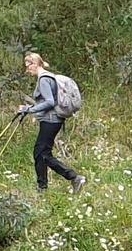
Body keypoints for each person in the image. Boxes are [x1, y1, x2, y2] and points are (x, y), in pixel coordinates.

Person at [16, 52, 85, 195]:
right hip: (53, 120)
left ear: (35, 64)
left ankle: (73, 177)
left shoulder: (43, 79)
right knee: (40, 153)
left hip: (51, 120)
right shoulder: (49, 77)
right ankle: (42, 188)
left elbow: (49, 102)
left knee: (42, 153)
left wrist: (29, 110)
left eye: (28, 66)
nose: (27, 70)